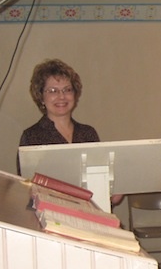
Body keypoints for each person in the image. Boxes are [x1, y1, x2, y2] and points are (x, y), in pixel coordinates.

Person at [18, 59, 123, 206]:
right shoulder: (31, 136)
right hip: (50, 215)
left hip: (89, 212)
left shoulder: (88, 133)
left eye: (67, 90)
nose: (61, 96)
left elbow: (99, 179)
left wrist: (112, 191)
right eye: (53, 91)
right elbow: (27, 188)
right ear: (41, 97)